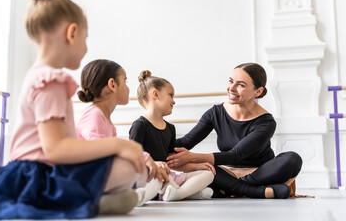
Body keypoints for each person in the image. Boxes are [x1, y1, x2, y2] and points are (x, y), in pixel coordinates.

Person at [0, 0, 147, 219]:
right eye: (85, 38)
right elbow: (55, 149)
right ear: (72, 33)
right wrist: (120, 144)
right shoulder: (50, 81)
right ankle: (87, 204)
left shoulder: (38, 75)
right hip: (39, 176)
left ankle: (91, 202)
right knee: (129, 168)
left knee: (131, 169)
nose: (85, 48)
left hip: (37, 171)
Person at [167, 62, 302, 198]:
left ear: (258, 91)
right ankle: (253, 191)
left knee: (292, 159)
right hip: (227, 172)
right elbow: (187, 141)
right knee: (202, 168)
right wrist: (153, 140)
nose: (231, 88)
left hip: (260, 172)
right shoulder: (215, 113)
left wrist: (192, 157)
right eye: (231, 81)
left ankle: (231, 188)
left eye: (241, 85)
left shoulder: (266, 122)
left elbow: (236, 154)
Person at [76, 59, 167, 206]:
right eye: (125, 81)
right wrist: (143, 157)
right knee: (139, 169)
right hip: (87, 176)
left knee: (155, 176)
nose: (127, 87)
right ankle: (114, 198)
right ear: (112, 84)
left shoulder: (106, 120)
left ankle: (132, 198)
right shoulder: (93, 115)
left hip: (101, 176)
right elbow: (99, 150)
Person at [129, 70, 216, 201]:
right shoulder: (140, 125)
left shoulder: (170, 128)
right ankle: (183, 193)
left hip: (169, 176)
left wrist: (197, 166)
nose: (173, 101)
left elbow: (172, 162)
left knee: (208, 174)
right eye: (171, 95)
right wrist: (155, 164)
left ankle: (176, 193)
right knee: (161, 176)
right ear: (155, 94)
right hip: (151, 177)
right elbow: (133, 157)